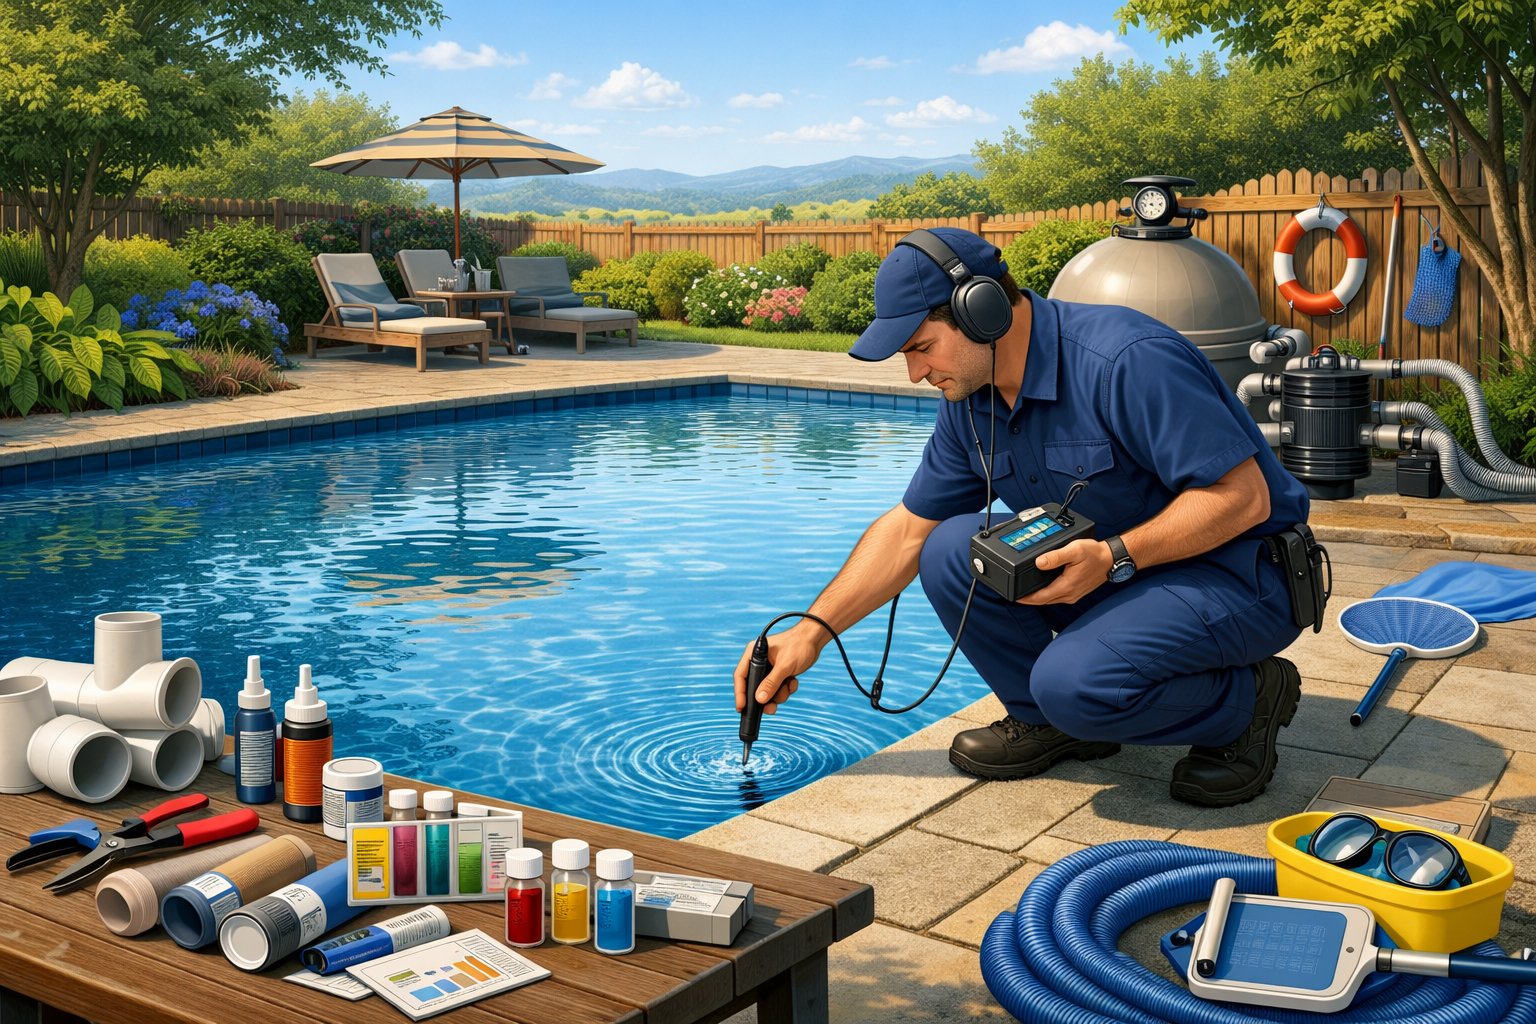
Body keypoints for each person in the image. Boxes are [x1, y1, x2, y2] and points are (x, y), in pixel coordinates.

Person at [733, 227, 1311, 807]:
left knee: (1074, 684)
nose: (915, 374)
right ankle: (1050, 722)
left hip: (1240, 575)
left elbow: (1242, 498)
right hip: (1117, 576)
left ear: (981, 310)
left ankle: (1246, 703)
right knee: (948, 548)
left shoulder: (1127, 360)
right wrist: (810, 633)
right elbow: (910, 529)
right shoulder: (972, 400)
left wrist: (1114, 556)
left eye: (920, 347)